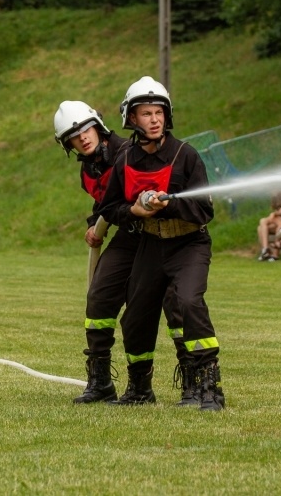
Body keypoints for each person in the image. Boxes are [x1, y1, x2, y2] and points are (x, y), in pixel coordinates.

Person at [100, 76, 225, 411]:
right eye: (145, 113)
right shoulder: (125, 160)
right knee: (136, 316)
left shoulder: (186, 155)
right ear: (131, 118)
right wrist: (136, 211)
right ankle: (140, 389)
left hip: (188, 244)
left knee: (188, 303)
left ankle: (208, 388)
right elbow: (110, 208)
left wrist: (169, 204)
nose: (154, 119)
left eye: (158, 112)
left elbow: (204, 210)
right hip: (150, 245)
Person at [52, 100, 189, 405]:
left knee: (174, 305)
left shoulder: (129, 152)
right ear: (68, 144)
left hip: (158, 236)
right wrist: (95, 224)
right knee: (99, 298)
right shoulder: (87, 171)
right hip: (127, 234)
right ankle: (100, 382)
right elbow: (106, 205)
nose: (83, 137)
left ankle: (192, 384)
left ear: (97, 126)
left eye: (86, 129)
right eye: (75, 135)